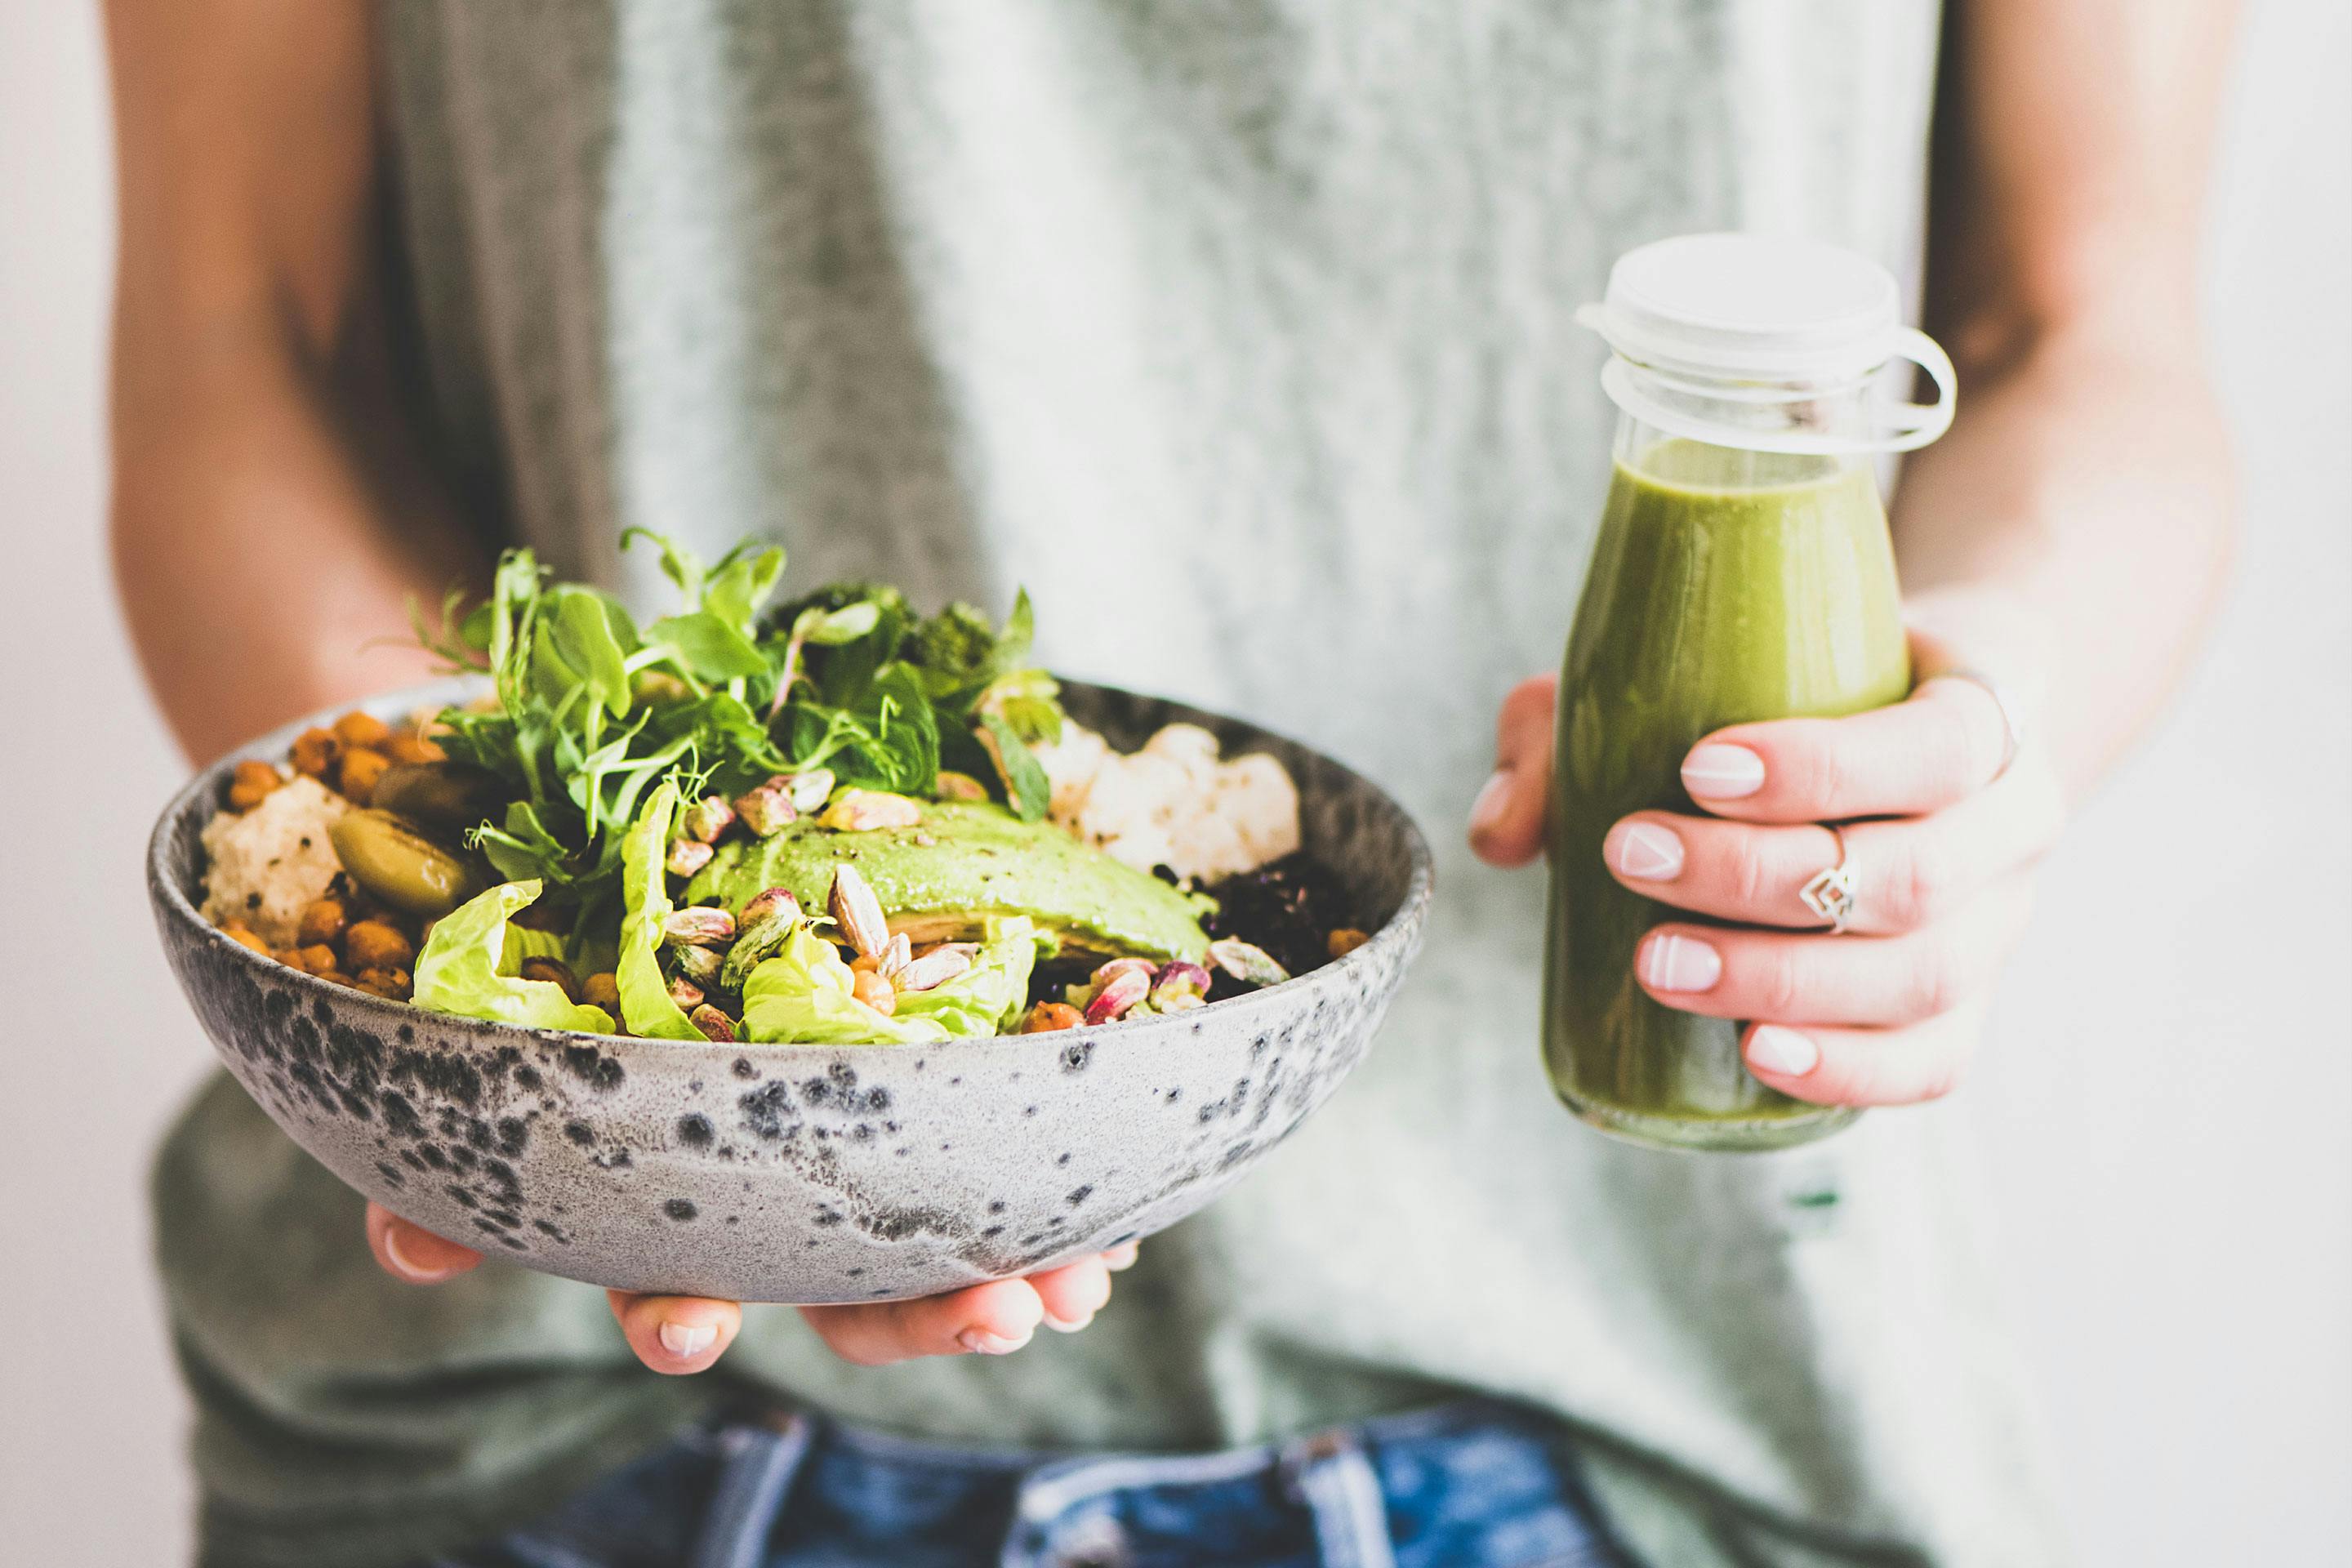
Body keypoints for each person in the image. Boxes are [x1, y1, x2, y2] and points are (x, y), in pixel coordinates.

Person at [106, 1, 2238, 1564]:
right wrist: (459, 1035)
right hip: (560, 1444)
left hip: (1654, 1419)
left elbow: (2084, 326)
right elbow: (243, 328)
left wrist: (1971, 732)